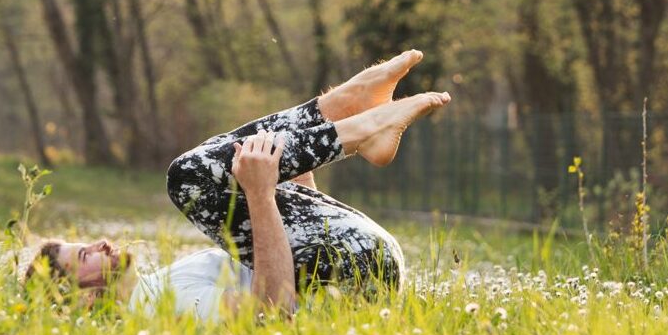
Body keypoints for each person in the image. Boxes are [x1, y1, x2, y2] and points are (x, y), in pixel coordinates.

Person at [26, 50, 446, 318]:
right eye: (82, 257)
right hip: (355, 277)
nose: (98, 243)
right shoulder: (157, 308)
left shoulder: (154, 289)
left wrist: (288, 180)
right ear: (83, 300)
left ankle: (342, 111)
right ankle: (348, 121)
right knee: (188, 179)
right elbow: (272, 312)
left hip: (355, 264)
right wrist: (262, 196)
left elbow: (291, 265)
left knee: (222, 170)